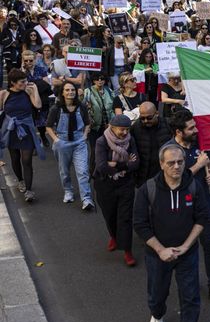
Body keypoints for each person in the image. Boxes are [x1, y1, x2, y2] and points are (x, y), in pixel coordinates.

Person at [133, 143, 210, 322]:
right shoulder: (147, 189)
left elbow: (202, 218)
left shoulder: (194, 186)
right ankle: (157, 314)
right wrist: (160, 249)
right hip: (157, 254)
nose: (176, 166)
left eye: (180, 162)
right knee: (157, 294)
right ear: (161, 164)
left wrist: (186, 246)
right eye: (171, 163)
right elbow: (140, 224)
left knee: (191, 298)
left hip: (187, 253)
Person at [166, 109, 210, 304]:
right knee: (186, 252)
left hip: (204, 206)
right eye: (191, 128)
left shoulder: (198, 144)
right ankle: (187, 287)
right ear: (179, 131)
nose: (196, 130)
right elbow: (174, 179)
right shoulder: (169, 151)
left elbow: (206, 162)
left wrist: (208, 171)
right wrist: (197, 166)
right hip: (183, 211)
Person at [93, 114, 139, 266]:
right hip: (105, 184)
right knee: (110, 214)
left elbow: (135, 163)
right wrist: (125, 163)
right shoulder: (102, 141)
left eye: (127, 129)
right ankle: (113, 235)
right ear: (111, 128)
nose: (124, 133)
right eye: (121, 130)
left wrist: (117, 165)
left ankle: (127, 251)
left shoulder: (130, 140)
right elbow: (101, 166)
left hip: (126, 183)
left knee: (125, 218)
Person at [46, 81, 95, 210]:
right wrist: (56, 140)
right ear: (62, 92)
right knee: (65, 171)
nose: (70, 92)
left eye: (72, 90)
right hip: (62, 143)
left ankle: (87, 199)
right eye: (67, 90)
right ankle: (68, 191)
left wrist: (85, 135)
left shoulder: (82, 106)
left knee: (83, 171)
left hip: (79, 142)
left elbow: (87, 122)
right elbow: (48, 126)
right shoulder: (56, 109)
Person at [0, 69, 44, 202]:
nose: (25, 83)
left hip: (27, 129)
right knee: (15, 158)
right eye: (22, 82)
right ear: (13, 83)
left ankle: (29, 191)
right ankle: (20, 180)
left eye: (25, 81)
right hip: (11, 128)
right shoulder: (4, 94)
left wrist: (35, 89)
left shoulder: (28, 91)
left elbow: (38, 105)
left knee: (26, 160)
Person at [132, 102, 173, 187]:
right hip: (143, 175)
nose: (146, 121)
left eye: (149, 118)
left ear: (157, 113)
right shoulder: (136, 127)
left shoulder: (168, 124)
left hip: (164, 173)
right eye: (142, 118)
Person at [83, 73, 115, 171]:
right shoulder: (88, 91)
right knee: (94, 149)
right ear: (93, 81)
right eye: (97, 79)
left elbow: (113, 107)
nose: (100, 81)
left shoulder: (109, 91)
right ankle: (93, 170)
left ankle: (104, 169)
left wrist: (112, 122)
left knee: (108, 148)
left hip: (107, 126)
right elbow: (83, 106)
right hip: (94, 126)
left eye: (102, 79)